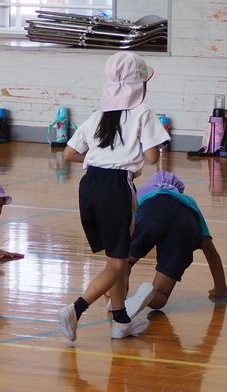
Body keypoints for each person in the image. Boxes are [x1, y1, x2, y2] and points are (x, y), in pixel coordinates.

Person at [58, 51, 170, 341]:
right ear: (140, 85)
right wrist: (129, 160)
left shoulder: (97, 116)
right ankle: (76, 308)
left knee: (114, 257)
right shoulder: (143, 112)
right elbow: (152, 156)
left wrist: (103, 158)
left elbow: (69, 153)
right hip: (116, 188)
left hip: (89, 184)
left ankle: (121, 320)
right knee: (118, 263)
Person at [119, 171, 227, 318]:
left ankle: (118, 296)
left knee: (124, 262)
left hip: (151, 209)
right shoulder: (189, 202)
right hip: (184, 223)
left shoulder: (143, 194)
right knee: (161, 296)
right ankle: (149, 295)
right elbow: (211, 252)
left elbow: (123, 232)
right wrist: (220, 289)